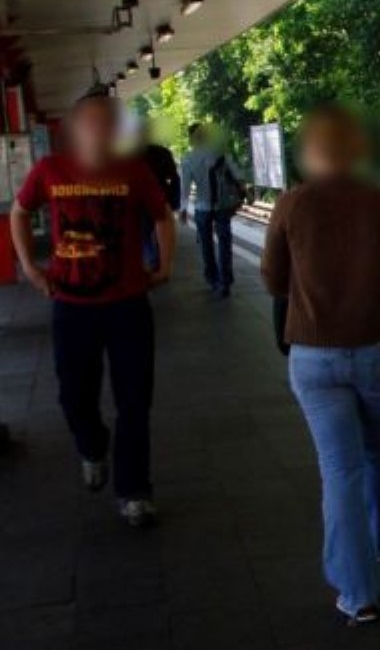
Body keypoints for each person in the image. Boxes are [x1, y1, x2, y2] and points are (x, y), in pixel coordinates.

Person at [261, 104, 380, 625]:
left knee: (340, 470)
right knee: (375, 444)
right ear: (357, 150)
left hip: (314, 356)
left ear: (310, 151)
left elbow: (272, 280)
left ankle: (358, 594)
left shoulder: (291, 204)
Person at [9, 90, 176, 528]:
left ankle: (134, 491)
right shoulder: (50, 170)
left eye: (109, 122)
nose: (102, 130)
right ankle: (92, 445)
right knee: (74, 395)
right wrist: (31, 268)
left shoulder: (134, 171)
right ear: (76, 128)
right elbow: (20, 212)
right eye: (93, 121)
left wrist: (165, 263)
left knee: (134, 400)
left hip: (128, 305)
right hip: (71, 306)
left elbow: (162, 216)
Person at [180, 123, 244, 297]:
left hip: (202, 208)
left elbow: (185, 187)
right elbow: (238, 175)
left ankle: (213, 279)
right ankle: (225, 281)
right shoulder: (221, 153)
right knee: (225, 244)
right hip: (222, 206)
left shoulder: (188, 158)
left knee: (206, 245)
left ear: (191, 139)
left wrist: (183, 209)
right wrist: (242, 194)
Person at [138, 125, 181, 271]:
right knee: (160, 230)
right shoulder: (163, 153)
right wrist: (174, 200)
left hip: (141, 201)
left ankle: (151, 259)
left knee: (144, 232)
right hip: (161, 198)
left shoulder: (131, 155)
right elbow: (174, 178)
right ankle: (157, 259)